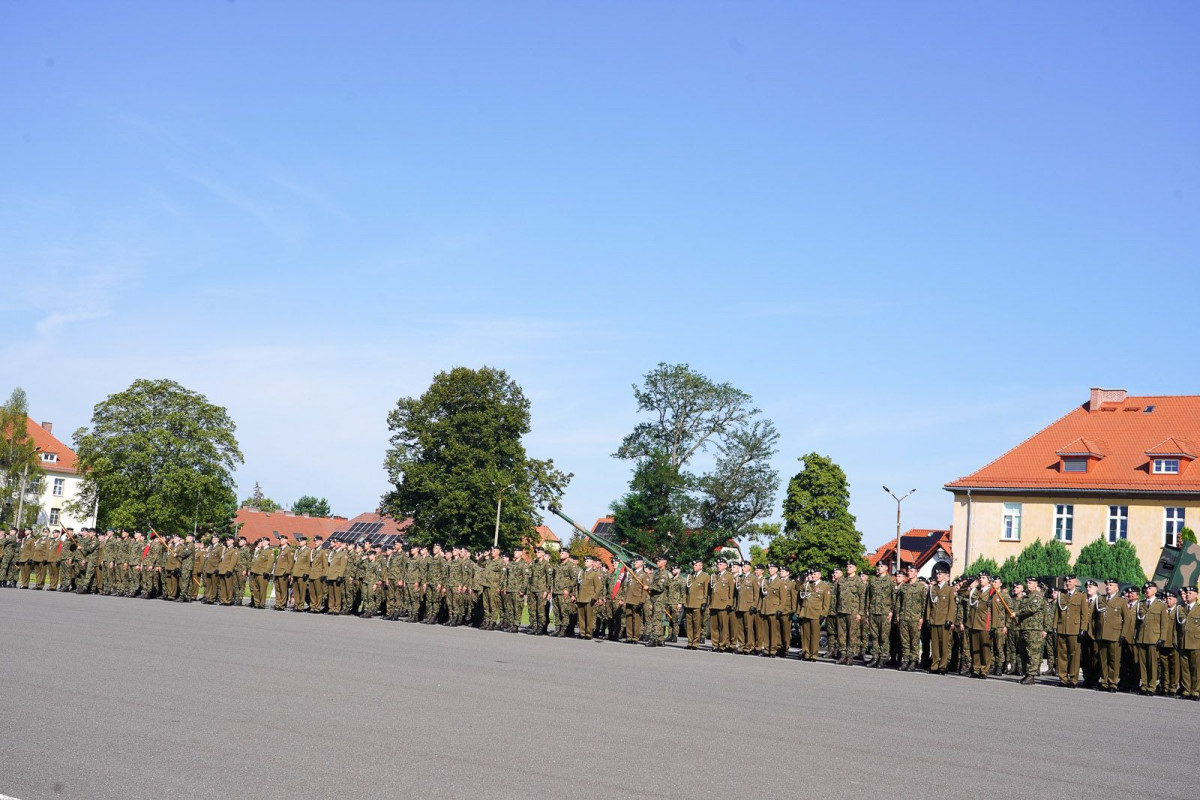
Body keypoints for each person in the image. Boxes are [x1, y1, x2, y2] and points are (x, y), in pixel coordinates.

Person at [1134, 581, 1167, 695]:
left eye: (1150, 589)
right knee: (1142, 663)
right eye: (1146, 589)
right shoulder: (1141, 603)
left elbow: (1164, 624)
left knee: (1152, 663)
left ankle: (1151, 686)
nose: (1147, 591)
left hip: (1153, 638)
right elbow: (1137, 623)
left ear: (1155, 591)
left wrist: (1162, 638)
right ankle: (1144, 685)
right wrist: (1136, 636)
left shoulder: (1161, 605)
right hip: (1142, 637)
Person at [1054, 575, 1087, 687]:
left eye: (1070, 581)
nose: (1068, 583)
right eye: (1066, 582)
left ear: (1075, 582)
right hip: (1062, 628)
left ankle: (1073, 679)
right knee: (1062, 654)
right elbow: (1057, 612)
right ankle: (1063, 678)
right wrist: (1055, 627)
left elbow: (1084, 614)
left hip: (1074, 629)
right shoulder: (1061, 595)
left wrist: (1083, 628)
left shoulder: (1081, 596)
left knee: (1074, 655)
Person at [924, 566, 955, 674]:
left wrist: (949, 619)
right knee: (935, 645)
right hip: (934, 619)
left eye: (940, 574)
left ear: (946, 576)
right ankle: (935, 665)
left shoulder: (950, 589)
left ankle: (943, 665)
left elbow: (952, 606)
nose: (938, 576)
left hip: (943, 620)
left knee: (944, 645)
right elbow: (929, 605)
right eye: (937, 574)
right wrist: (927, 618)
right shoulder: (933, 588)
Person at [834, 561, 865, 665]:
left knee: (852, 634)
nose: (848, 568)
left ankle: (850, 655)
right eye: (847, 566)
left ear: (855, 569)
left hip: (853, 611)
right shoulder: (841, 580)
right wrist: (836, 610)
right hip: (841, 610)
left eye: (850, 566)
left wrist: (860, 613)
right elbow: (836, 597)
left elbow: (862, 598)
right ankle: (842, 654)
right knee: (841, 634)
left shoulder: (858, 581)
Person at [865, 561, 893, 668]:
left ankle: (883, 657)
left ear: (886, 568)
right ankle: (875, 656)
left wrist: (891, 612)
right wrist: (867, 610)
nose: (879, 568)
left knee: (884, 637)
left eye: (881, 566)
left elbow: (894, 598)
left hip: (884, 612)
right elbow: (869, 596)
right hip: (873, 611)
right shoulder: (873, 580)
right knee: (874, 636)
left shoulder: (890, 581)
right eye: (878, 566)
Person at [1175, 586, 1200, 700]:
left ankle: (1196, 691)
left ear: (1196, 595)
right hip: (1183, 642)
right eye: (1187, 593)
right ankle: (1186, 690)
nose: (1188, 595)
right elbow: (1177, 627)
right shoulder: (1181, 609)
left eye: (1190, 593)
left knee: (1196, 668)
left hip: (1196, 642)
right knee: (1185, 668)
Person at [708, 558, 735, 652]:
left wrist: (730, 603)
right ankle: (715, 644)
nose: (718, 566)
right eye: (718, 564)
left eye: (720, 564)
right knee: (714, 626)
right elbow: (710, 591)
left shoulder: (729, 576)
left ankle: (722, 645)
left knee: (723, 626)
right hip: (714, 603)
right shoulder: (714, 576)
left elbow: (731, 592)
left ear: (725, 566)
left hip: (723, 604)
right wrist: (709, 603)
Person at [683, 558, 710, 650]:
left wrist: (704, 602)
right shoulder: (690, 576)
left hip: (698, 603)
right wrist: (684, 601)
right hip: (689, 603)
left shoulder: (705, 576)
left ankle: (695, 643)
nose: (694, 567)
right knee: (689, 624)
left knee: (697, 624)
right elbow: (686, 591)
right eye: (693, 565)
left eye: (696, 565)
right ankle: (690, 642)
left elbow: (706, 591)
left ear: (701, 566)